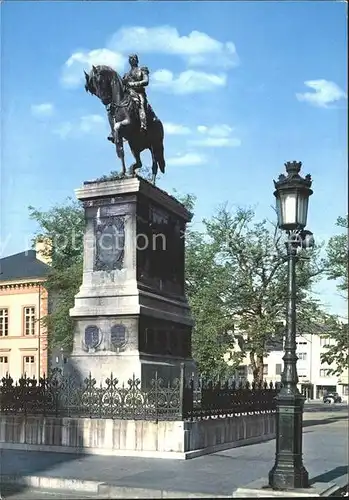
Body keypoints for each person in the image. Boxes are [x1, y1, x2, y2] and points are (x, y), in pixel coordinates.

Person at [122, 54, 157, 131]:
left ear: (137, 60)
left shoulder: (142, 70)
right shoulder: (126, 75)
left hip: (139, 93)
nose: (132, 60)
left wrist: (133, 84)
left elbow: (146, 81)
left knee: (141, 104)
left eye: (134, 58)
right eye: (130, 59)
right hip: (128, 94)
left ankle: (143, 125)